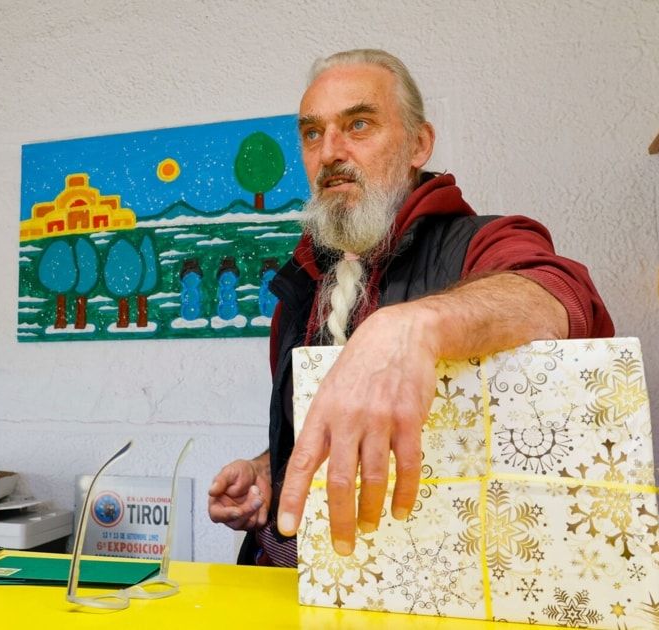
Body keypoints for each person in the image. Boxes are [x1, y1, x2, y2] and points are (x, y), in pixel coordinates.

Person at [207, 49, 613, 567]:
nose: (330, 151)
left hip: (429, 586)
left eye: (358, 124)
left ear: (418, 144)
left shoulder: (480, 243)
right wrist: (271, 469)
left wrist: (414, 326)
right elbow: (339, 423)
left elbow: (561, 294)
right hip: (288, 579)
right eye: (312, 133)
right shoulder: (299, 288)